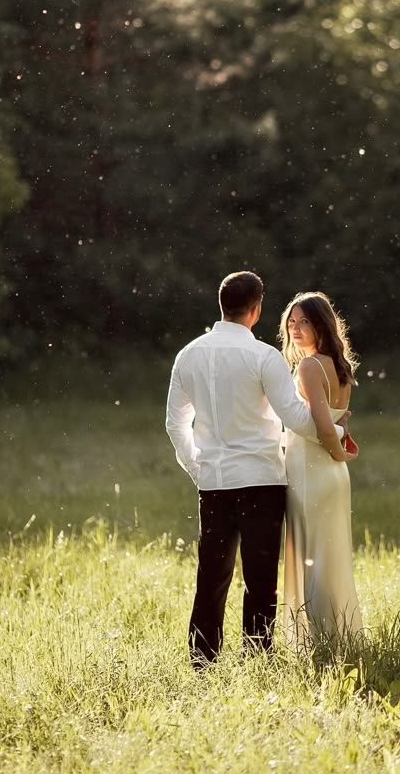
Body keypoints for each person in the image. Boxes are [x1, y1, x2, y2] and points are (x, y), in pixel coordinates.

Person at [165, 271, 351, 666]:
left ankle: (203, 660)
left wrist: (199, 469)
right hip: (262, 481)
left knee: (212, 576)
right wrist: (336, 429)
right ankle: (257, 658)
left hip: (213, 481)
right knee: (260, 578)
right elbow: (296, 418)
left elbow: (175, 424)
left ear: (222, 305)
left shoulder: (188, 354)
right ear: (256, 309)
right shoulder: (263, 356)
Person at [279, 291, 362, 649]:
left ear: (321, 324)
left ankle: (319, 641)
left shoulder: (310, 366)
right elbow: (339, 418)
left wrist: (335, 451)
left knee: (311, 552)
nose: (296, 329)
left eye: (305, 322)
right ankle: (337, 635)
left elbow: (323, 425)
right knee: (329, 554)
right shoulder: (338, 365)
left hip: (314, 468)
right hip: (330, 473)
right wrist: (338, 452)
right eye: (291, 322)